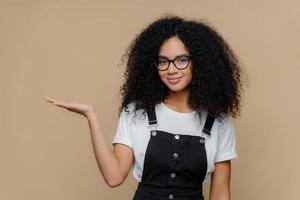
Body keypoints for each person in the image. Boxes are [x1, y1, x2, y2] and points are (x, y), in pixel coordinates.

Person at [44, 14, 243, 200]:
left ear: (199, 62)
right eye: (163, 61)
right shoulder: (136, 113)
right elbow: (114, 177)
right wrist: (91, 117)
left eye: (181, 60)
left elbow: (220, 193)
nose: (171, 69)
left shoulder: (219, 122)